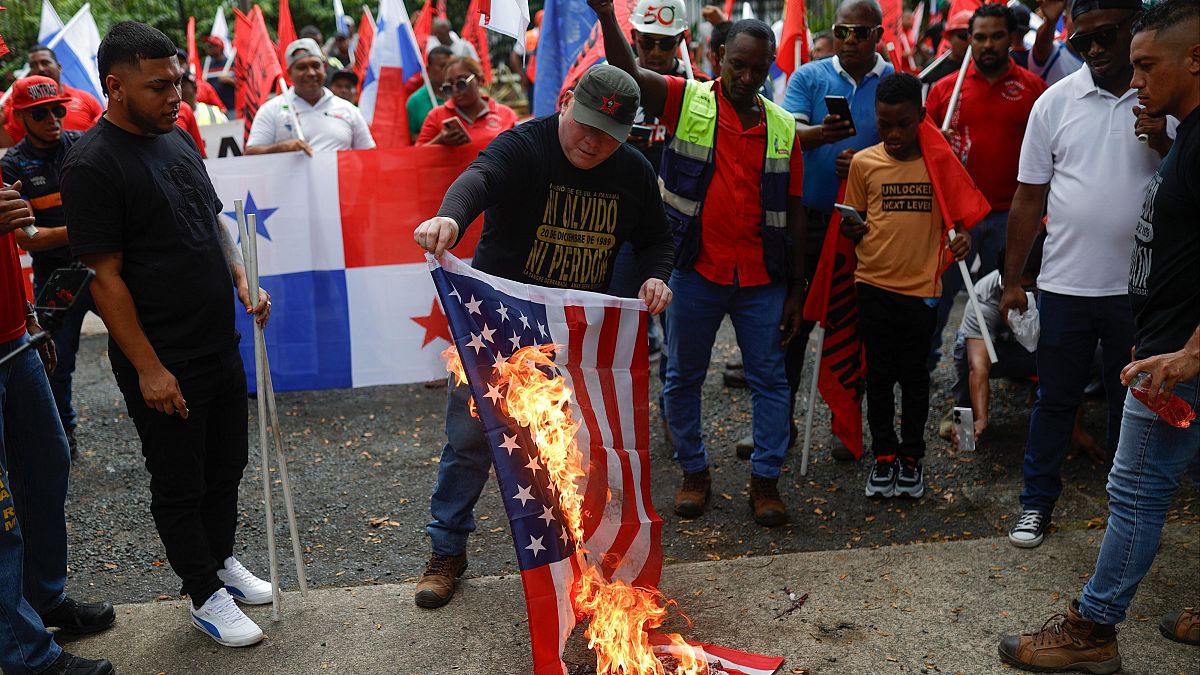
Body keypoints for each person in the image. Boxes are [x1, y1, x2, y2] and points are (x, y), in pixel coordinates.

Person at [410, 64, 675, 608]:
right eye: (585, 126)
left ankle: (578, 558)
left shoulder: (633, 171)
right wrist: (451, 219)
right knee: (469, 439)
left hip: (574, 338)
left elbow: (656, 238)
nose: (593, 142)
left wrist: (655, 276)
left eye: (609, 136)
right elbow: (477, 180)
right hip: (499, 327)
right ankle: (446, 550)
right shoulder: (526, 145)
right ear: (568, 101)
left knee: (578, 447)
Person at [998, 0, 1199, 669]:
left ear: (1190, 59)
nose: (1131, 73)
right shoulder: (1062, 102)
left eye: (1145, 60)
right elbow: (1030, 195)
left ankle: (1093, 628)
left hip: (1169, 341)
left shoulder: (1183, 125)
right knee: (1057, 401)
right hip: (1109, 307)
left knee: (1136, 483)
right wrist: (1016, 276)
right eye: (1078, 41)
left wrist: (1192, 348)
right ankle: (1038, 502)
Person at [61, 21, 275, 649]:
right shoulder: (92, 164)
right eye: (158, 86)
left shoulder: (177, 135)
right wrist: (149, 368)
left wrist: (240, 276)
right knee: (178, 477)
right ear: (115, 86)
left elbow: (210, 219)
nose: (175, 95)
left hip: (217, 337)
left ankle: (219, 562)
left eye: (177, 81)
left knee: (225, 463)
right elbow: (105, 280)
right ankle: (204, 594)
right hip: (163, 354)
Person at [597, 0, 808, 526]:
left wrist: (798, 291)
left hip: (762, 280)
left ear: (770, 67)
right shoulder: (685, 99)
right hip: (694, 271)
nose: (747, 75)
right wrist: (606, 14)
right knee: (683, 377)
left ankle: (765, 480)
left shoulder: (782, 125)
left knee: (771, 380)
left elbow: (796, 213)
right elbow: (627, 74)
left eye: (759, 68)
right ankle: (695, 472)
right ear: (716, 58)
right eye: (738, 64)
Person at [841, 73, 978, 499]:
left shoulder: (939, 163)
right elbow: (853, 220)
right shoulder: (864, 163)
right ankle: (884, 457)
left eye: (904, 123)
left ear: (922, 116)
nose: (895, 134)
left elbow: (959, 223)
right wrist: (853, 227)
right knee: (879, 376)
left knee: (916, 377)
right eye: (885, 125)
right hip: (873, 283)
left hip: (921, 288)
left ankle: (912, 459)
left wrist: (963, 239)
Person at [0, 181, 116, 675]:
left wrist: (26, 316)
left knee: (47, 462)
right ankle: (24, 653)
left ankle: (40, 598)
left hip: (12, 340)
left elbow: (9, 244)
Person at [775, 0, 896, 463]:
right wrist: (821, 136)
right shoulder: (809, 77)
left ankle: (846, 424)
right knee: (794, 324)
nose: (849, 41)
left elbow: (907, 144)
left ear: (878, 35)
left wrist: (867, 161)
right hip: (809, 221)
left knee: (857, 325)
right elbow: (786, 132)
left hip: (866, 223)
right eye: (842, 31)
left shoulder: (892, 82)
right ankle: (778, 427)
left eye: (859, 33)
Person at [925, 3, 1046, 370]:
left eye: (996, 36)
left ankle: (990, 384)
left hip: (1011, 216)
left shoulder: (1033, 89)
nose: (987, 44)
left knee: (996, 306)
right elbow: (921, 155)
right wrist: (936, 141)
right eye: (978, 37)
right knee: (935, 299)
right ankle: (924, 376)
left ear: (1011, 38)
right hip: (955, 217)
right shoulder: (944, 91)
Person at [1, 76, 95, 459]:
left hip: (100, 267)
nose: (53, 119)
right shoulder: (13, 165)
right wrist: (85, 230)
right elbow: (28, 238)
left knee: (138, 343)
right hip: (58, 279)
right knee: (58, 360)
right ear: (21, 117)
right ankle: (64, 434)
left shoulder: (81, 146)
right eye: (41, 114)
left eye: (58, 110)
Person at [949, 246, 1041, 446]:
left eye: (1030, 289)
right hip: (998, 354)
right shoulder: (982, 298)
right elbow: (978, 366)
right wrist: (982, 417)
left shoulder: (1051, 291)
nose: (1023, 296)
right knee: (965, 352)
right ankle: (965, 428)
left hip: (1036, 352)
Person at [246, 38, 376, 155]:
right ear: (290, 74)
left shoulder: (349, 110)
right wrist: (280, 148)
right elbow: (251, 154)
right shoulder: (271, 110)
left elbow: (369, 155)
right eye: (302, 67)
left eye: (315, 65)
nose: (311, 73)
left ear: (324, 68)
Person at [1, 46, 104, 147]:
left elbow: (104, 131)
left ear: (59, 67)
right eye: (39, 114)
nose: (40, 68)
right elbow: (9, 142)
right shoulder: (22, 107)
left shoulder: (86, 98)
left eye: (58, 111)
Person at [417, 57, 517, 146]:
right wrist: (440, 140)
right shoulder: (436, 116)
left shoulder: (506, 115)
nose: (455, 90)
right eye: (449, 87)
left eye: (461, 83)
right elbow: (417, 156)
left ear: (479, 80)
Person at [1028, 0, 1085, 85]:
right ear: (1065, 21)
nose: (1082, 24)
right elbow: (1041, 47)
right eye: (1076, 16)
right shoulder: (1053, 53)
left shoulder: (1103, 58)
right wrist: (1050, 22)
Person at [408, 46, 453, 142]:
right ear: (428, 69)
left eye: (451, 66)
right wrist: (438, 139)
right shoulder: (415, 101)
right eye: (442, 66)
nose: (448, 71)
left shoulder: (462, 95)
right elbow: (412, 138)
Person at [920, 10, 971, 86]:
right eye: (963, 36)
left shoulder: (982, 71)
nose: (969, 42)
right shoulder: (933, 69)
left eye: (976, 37)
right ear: (950, 37)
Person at [202, 36, 236, 114]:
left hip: (231, 108)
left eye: (210, 46)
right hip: (215, 109)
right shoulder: (207, 65)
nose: (207, 49)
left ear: (219, 48)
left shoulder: (231, 63)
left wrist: (229, 80)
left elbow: (241, 84)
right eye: (207, 46)